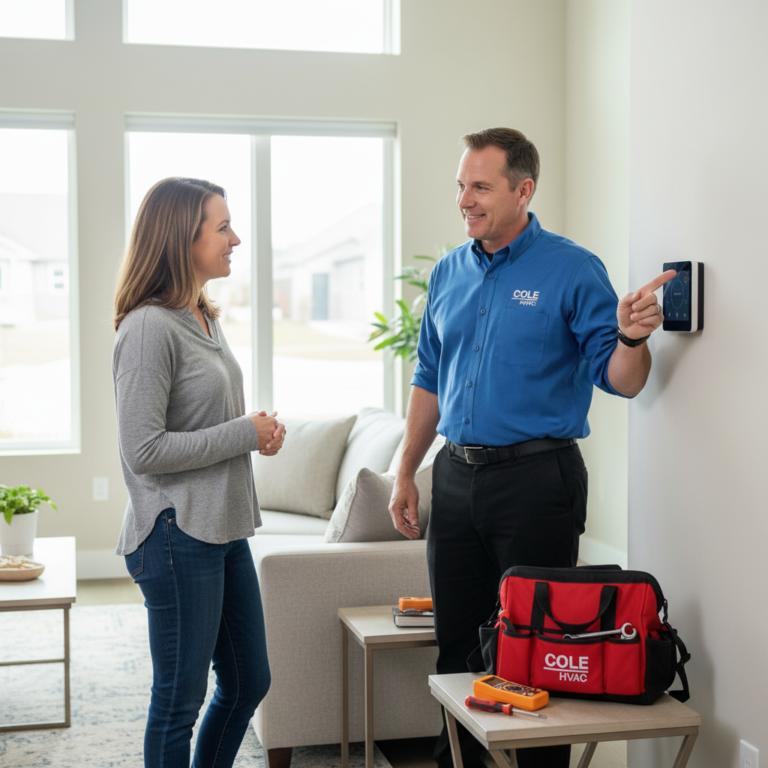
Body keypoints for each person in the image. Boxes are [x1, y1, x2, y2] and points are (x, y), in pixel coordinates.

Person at [388, 128, 674, 768]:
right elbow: (428, 380)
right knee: (459, 645)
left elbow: (622, 381)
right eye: (461, 186)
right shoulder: (449, 273)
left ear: (524, 190)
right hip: (455, 479)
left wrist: (631, 338)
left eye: (480, 187)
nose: (465, 199)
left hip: (538, 481)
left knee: (543, 649)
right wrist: (406, 470)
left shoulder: (572, 269)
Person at [112, 177, 285, 768]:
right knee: (178, 703)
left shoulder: (201, 315)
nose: (235, 238)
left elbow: (202, 419)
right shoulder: (147, 328)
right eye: (222, 227)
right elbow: (143, 449)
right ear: (181, 238)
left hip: (222, 528)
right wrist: (244, 432)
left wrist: (256, 433)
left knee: (248, 682)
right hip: (175, 535)